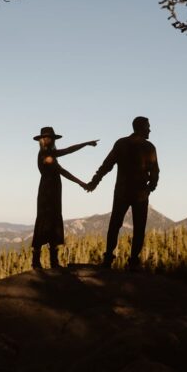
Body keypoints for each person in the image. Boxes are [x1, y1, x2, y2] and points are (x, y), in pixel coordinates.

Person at [87, 116, 159, 270]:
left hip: (122, 191)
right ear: (141, 128)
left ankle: (108, 259)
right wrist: (150, 188)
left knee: (115, 224)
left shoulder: (121, 144)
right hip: (140, 194)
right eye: (148, 126)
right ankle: (133, 262)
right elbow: (155, 172)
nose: (150, 130)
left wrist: (95, 181)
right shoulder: (149, 147)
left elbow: (107, 165)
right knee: (139, 228)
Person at [31, 126, 97, 269]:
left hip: (53, 192)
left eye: (51, 137)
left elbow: (66, 151)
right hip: (47, 193)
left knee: (53, 220)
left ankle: (51, 261)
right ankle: (37, 261)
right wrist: (81, 183)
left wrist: (85, 144)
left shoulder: (50, 154)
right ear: (42, 140)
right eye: (46, 137)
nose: (48, 139)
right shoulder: (45, 155)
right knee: (44, 221)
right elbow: (62, 170)